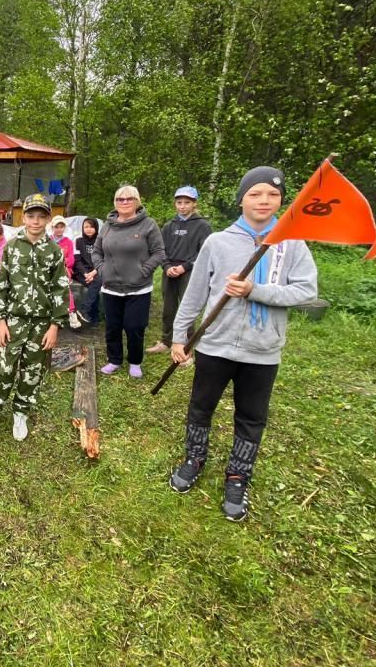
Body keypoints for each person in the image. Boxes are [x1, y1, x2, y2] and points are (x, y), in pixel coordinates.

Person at [168, 166, 317, 522]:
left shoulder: (290, 244)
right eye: (255, 193)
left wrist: (257, 290)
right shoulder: (217, 242)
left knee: (251, 417)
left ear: (281, 200)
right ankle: (194, 458)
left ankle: (238, 476)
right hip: (215, 345)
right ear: (242, 199)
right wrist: (179, 336)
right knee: (201, 406)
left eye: (272, 195)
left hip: (262, 351)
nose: (264, 201)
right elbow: (195, 293)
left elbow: (306, 291)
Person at [0, 193, 68, 442]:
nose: (35, 221)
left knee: (32, 371)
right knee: (5, 369)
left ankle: (21, 412)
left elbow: (60, 288)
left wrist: (54, 326)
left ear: (48, 218)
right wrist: (1, 321)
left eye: (41, 216)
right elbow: (2, 285)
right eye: (30, 215)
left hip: (40, 325)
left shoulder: (54, 251)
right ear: (23, 217)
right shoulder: (12, 247)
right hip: (14, 322)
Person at [91, 185, 165, 379]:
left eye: (129, 199)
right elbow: (97, 251)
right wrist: (101, 269)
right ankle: (114, 360)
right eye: (120, 199)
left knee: (134, 327)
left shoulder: (148, 224)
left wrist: (145, 270)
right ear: (115, 203)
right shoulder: (107, 226)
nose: (124, 202)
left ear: (137, 201)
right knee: (112, 326)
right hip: (111, 288)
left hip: (138, 288)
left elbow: (159, 252)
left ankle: (135, 361)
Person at [147, 186, 213, 361]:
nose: (182, 206)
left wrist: (185, 266)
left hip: (190, 271)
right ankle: (166, 341)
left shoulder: (202, 225)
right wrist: (167, 266)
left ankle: (187, 346)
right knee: (169, 308)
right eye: (179, 202)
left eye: (187, 202)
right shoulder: (169, 226)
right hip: (169, 270)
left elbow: (205, 252)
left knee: (187, 307)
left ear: (194, 204)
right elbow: (160, 249)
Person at [50, 216, 82, 330]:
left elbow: (71, 259)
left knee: (64, 287)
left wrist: (61, 264)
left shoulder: (68, 241)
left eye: (61, 227)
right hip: (49, 269)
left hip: (64, 269)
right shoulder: (48, 240)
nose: (59, 229)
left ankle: (72, 313)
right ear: (52, 227)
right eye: (56, 227)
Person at [73, 217, 101, 326]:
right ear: (83, 228)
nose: (89, 229)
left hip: (96, 270)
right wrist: (85, 273)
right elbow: (77, 260)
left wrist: (94, 272)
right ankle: (93, 316)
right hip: (81, 271)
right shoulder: (78, 240)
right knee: (95, 284)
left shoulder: (100, 240)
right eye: (86, 227)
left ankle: (85, 311)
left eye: (92, 227)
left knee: (96, 282)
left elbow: (103, 259)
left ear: (96, 228)